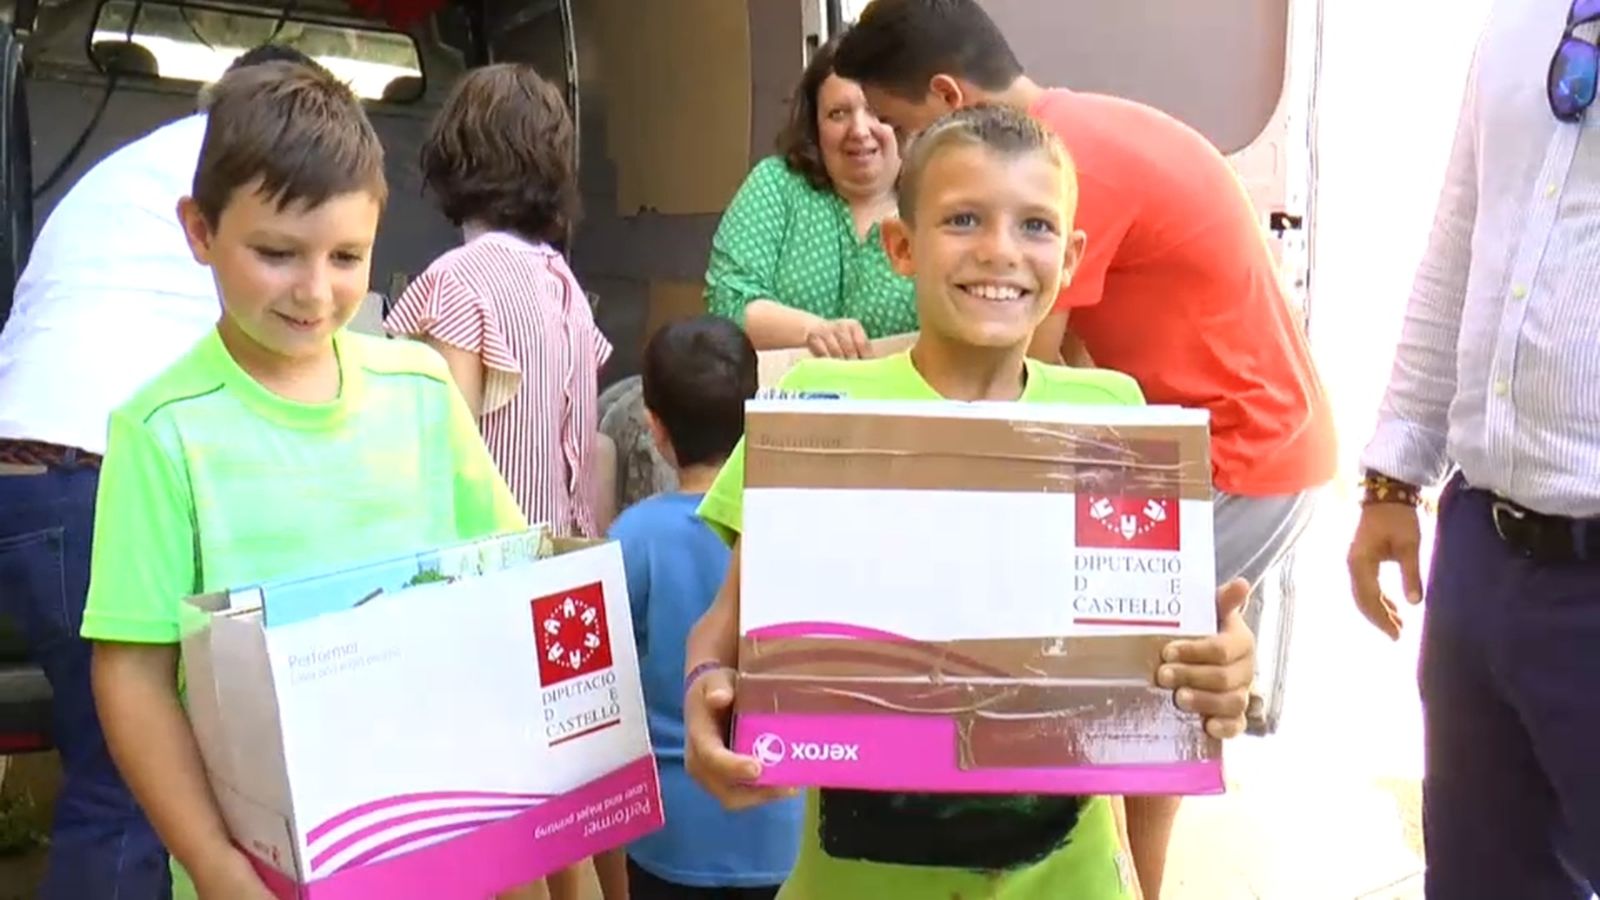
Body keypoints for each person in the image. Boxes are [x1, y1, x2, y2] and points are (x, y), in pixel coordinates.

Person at [682, 103, 1257, 900]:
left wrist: (1217, 671)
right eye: (962, 219)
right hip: (855, 880)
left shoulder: (1115, 417)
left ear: (1072, 255)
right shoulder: (821, 407)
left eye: (1036, 226)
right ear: (902, 246)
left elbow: (1165, 664)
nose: (1000, 252)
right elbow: (722, 628)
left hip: (1067, 880)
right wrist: (706, 686)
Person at [831, 2, 1338, 894]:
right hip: (1209, 440)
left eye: (906, 129)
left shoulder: (1056, 168)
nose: (899, 153)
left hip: (1235, 454)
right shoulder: (1077, 131)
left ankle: (1128, 879)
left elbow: (1018, 362)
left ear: (949, 97)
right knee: (1131, 673)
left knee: (1142, 677)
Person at [77, 61, 526, 900]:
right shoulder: (162, 430)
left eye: (347, 256)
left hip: (440, 841)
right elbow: (132, 676)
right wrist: (214, 863)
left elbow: (510, 585)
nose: (316, 293)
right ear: (200, 230)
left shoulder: (421, 392)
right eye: (277, 253)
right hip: (264, 872)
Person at [0, 43, 318, 900]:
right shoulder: (242, 179)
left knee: (110, 770)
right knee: (140, 782)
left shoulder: (129, 170)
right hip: (92, 478)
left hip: (22, 472)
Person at [1346, 1, 1600, 894]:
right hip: (1484, 555)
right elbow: (1457, 244)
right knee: (1482, 876)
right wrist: (1393, 475)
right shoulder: (1519, 26)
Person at [609, 315, 803, 899]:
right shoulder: (792, 525)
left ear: (654, 428)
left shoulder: (632, 536)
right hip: (785, 821)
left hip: (668, 832)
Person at [385, 62, 613, 540]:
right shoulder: (566, 284)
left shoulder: (457, 281)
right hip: (560, 563)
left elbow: (445, 454)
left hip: (492, 568)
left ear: (453, 156)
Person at [704, 33, 915, 360]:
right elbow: (728, 300)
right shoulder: (777, 184)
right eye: (838, 113)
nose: (859, 130)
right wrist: (815, 331)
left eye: (875, 111)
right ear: (815, 124)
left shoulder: (934, 201)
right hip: (781, 401)